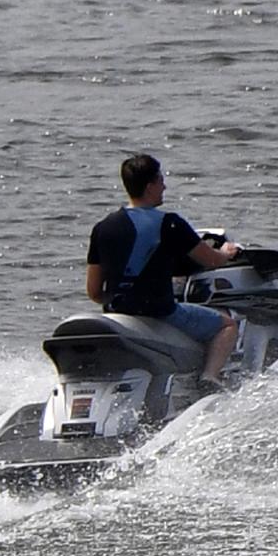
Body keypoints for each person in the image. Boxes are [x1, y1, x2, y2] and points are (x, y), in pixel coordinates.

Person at [85, 154, 243, 388]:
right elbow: (210, 260)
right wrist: (228, 252)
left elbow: (94, 291)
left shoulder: (102, 227)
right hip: (160, 313)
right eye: (160, 180)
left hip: (117, 314)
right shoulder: (169, 223)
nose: (164, 186)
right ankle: (209, 377)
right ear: (150, 186)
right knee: (228, 325)